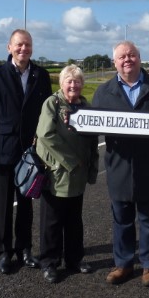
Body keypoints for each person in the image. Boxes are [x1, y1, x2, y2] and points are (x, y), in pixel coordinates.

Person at [92, 41, 149, 287]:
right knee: (122, 219)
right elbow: (92, 124)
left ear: (140, 58)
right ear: (114, 62)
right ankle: (123, 264)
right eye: (122, 57)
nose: (127, 60)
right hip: (118, 166)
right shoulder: (104, 91)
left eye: (132, 55)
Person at [0, 29, 52, 274]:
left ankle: (25, 249)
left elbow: (46, 113)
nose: (24, 49)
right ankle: (3, 252)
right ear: (9, 47)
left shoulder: (41, 75)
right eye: (20, 45)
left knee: (26, 203)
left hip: (31, 151)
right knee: (3, 204)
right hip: (3, 151)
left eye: (28, 45)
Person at [34, 65, 100, 284]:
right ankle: (49, 262)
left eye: (77, 81)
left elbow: (92, 140)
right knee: (52, 221)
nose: (73, 85)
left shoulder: (85, 106)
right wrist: (70, 161)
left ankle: (74, 259)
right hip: (56, 172)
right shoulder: (52, 104)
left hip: (78, 174)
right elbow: (45, 135)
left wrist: (92, 167)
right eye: (69, 81)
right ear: (62, 83)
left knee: (74, 220)